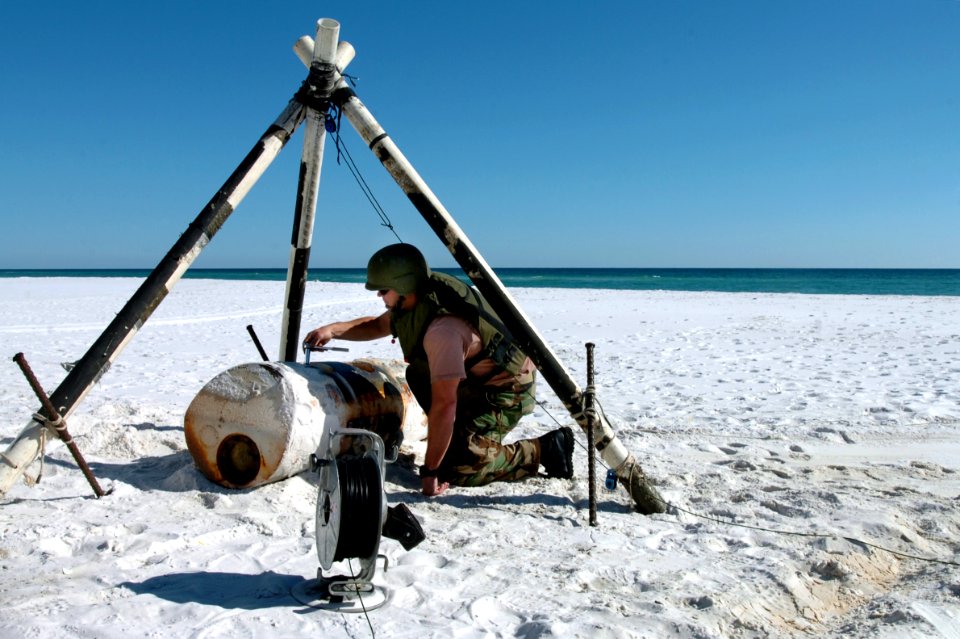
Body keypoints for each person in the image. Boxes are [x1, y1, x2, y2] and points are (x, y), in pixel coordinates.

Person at [303, 243, 574, 497]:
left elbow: (445, 405)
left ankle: (545, 450)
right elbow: (376, 325)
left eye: (383, 290)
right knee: (419, 374)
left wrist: (430, 472)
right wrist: (332, 330)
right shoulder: (417, 301)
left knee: (461, 469)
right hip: (476, 382)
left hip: (506, 391)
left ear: (403, 285)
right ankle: (457, 440)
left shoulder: (442, 331)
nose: (379, 295)